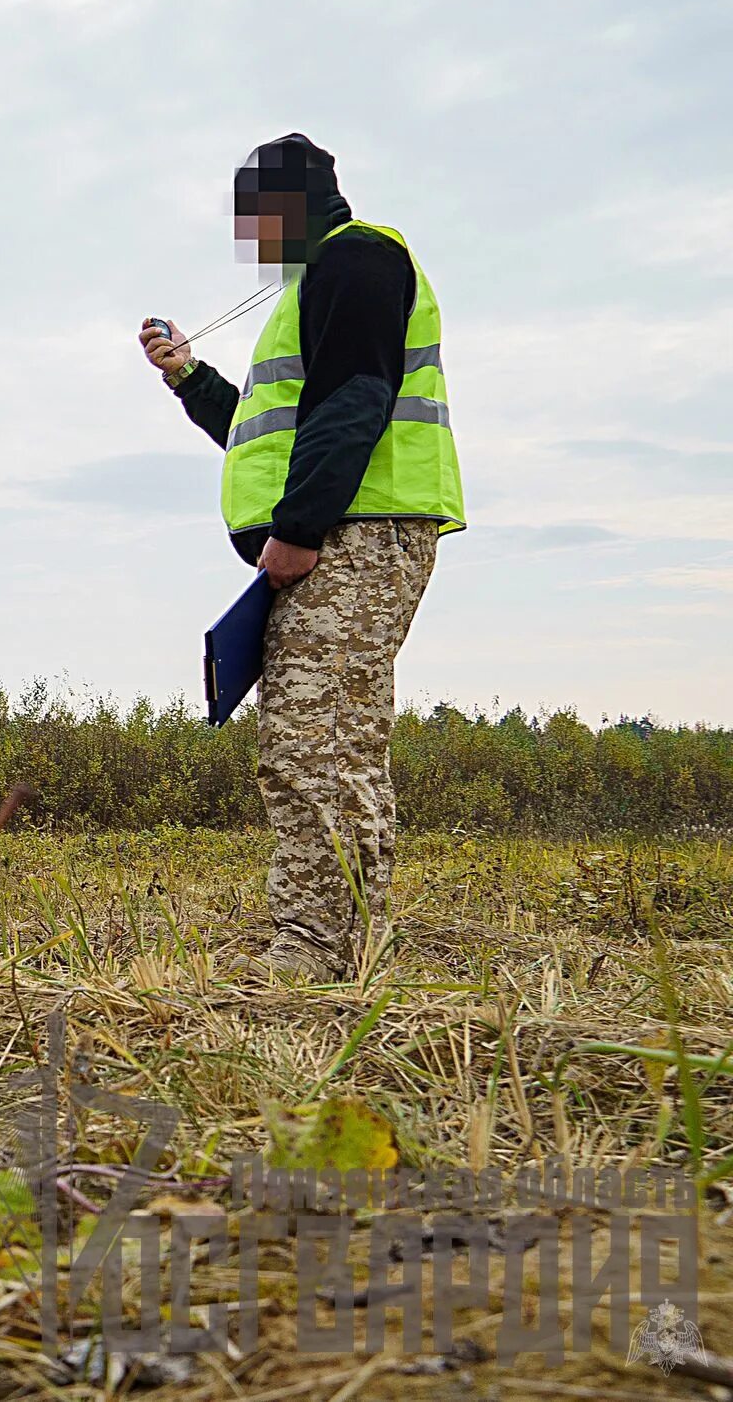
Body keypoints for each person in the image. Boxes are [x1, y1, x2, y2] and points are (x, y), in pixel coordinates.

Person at [140, 133, 463, 983]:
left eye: (254, 216)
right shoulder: (319, 281)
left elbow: (356, 400)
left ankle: (314, 948)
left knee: (312, 746)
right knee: (338, 743)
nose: (249, 235)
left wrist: (301, 530)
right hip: (349, 532)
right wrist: (188, 377)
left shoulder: (357, 259)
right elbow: (268, 431)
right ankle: (348, 943)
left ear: (287, 204)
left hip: (354, 533)